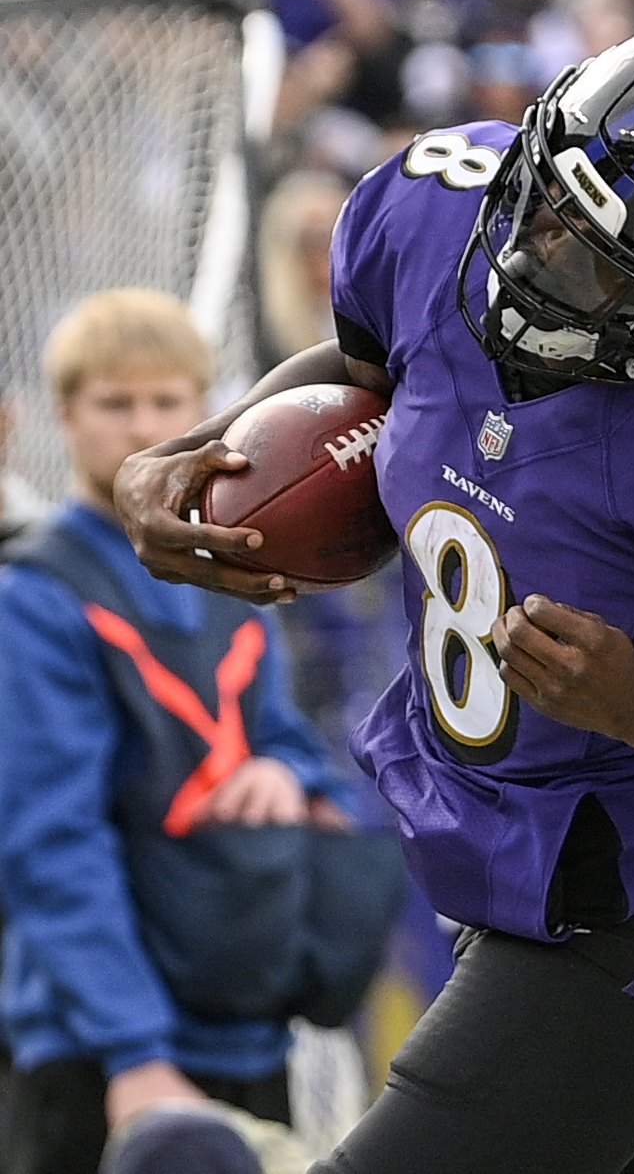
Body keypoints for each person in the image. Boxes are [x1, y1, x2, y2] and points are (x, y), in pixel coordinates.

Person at [112, 25, 634, 1174]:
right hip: (510, 870)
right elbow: (370, 378)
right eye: (543, 203)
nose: (531, 255)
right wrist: (192, 456)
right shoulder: (437, 214)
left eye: (592, 256)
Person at [0, 289, 364, 1174]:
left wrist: (289, 776)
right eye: (114, 404)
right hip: (98, 1050)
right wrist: (135, 1055)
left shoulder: (229, 573)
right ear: (65, 417)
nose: (141, 426)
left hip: (241, 1029)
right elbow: (50, 843)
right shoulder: (35, 596)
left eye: (167, 404)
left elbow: (281, 738)